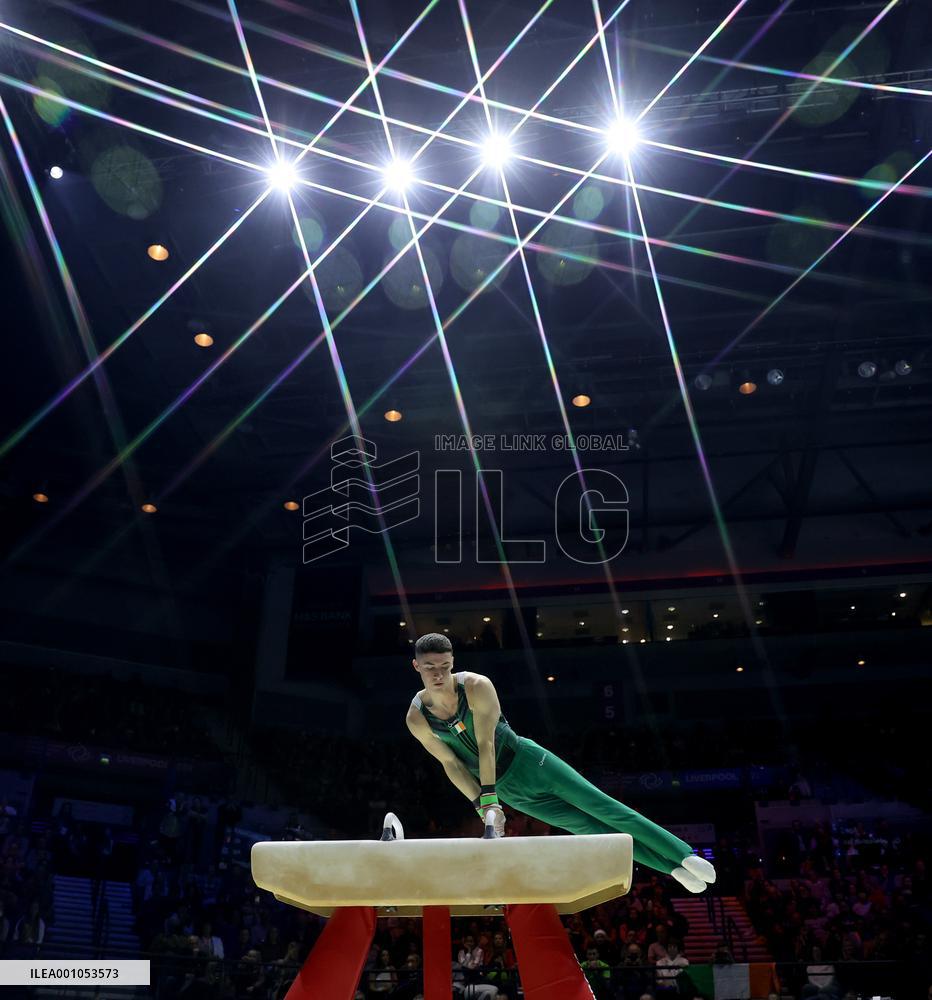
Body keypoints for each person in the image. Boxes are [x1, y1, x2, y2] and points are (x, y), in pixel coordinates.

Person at [405, 634, 716, 891]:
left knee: (604, 808)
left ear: (453, 663)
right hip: (509, 791)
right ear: (416, 665)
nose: (438, 675)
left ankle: (683, 854)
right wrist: (482, 806)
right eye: (430, 667)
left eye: (445, 666)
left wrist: (489, 799)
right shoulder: (417, 718)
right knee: (589, 829)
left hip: (531, 763)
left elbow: (486, 744)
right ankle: (671, 868)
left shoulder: (475, 686)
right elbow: (452, 765)